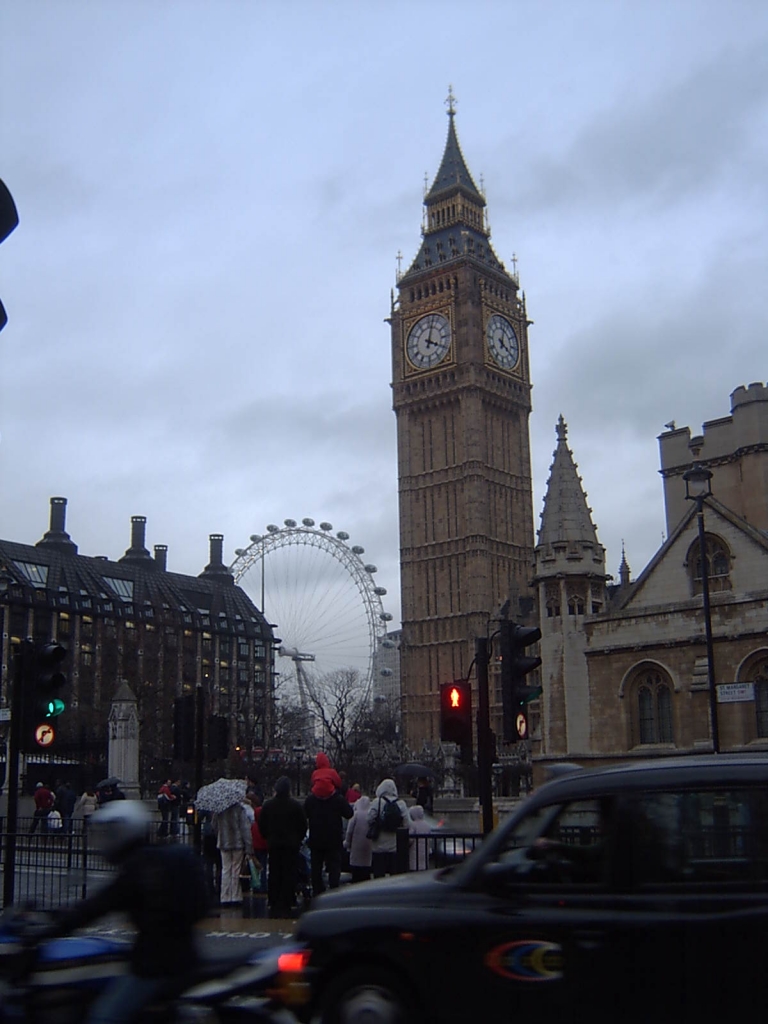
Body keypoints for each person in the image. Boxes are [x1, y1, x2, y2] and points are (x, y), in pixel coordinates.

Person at [32, 800, 207, 1024]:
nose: (105, 840)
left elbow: (97, 906)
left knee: (103, 1017)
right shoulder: (151, 860)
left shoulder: (138, 868)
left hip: (157, 965)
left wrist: (52, 925)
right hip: (179, 957)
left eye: (110, 833)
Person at [258, 776, 307, 918]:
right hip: (291, 845)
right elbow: (303, 825)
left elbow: (262, 825)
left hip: (274, 843)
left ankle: (273, 899)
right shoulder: (296, 806)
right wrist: (298, 839)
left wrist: (268, 837)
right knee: (289, 872)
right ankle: (289, 899)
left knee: (274, 872)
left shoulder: (268, 805)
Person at [304, 759, 353, 896]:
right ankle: (334, 891)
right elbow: (349, 813)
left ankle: (317, 891)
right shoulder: (337, 799)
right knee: (334, 866)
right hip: (334, 838)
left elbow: (304, 815)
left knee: (316, 867)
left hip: (316, 838)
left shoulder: (311, 800)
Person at [211, 798, 253, 906]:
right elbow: (245, 829)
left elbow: (214, 825)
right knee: (236, 870)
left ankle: (224, 896)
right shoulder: (240, 809)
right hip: (237, 843)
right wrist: (249, 847)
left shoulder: (219, 809)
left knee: (226, 869)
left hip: (224, 842)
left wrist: (219, 835)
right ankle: (235, 896)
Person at [367, 778, 409, 878]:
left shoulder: (377, 802)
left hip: (379, 845)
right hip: (394, 845)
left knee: (379, 875)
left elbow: (369, 818)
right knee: (394, 876)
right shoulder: (401, 803)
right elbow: (407, 824)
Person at [344, 794, 373, 882]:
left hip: (356, 846)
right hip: (368, 847)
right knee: (366, 870)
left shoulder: (356, 814)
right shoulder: (371, 814)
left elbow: (349, 831)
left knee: (356, 872)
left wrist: (347, 843)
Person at [250, 792, 269, 892]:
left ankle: (256, 885)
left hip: (255, 849)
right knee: (263, 867)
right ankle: (263, 886)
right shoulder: (265, 825)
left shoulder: (253, 826)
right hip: (263, 849)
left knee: (255, 868)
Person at [407, 804, 433, 871]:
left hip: (414, 852)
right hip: (425, 850)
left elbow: (410, 839)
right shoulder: (427, 825)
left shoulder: (413, 825)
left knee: (415, 865)